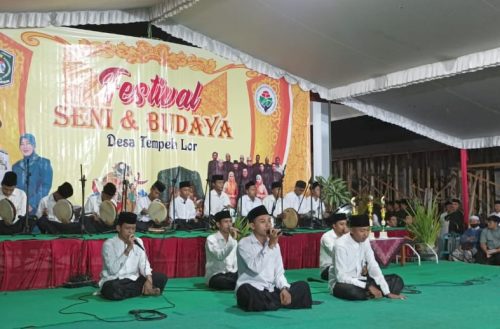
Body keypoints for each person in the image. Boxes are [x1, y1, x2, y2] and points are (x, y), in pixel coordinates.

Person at [236, 205, 312, 311]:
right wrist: (270, 246)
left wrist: (284, 288)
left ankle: (273, 303)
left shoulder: (274, 244)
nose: (267, 225)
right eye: (262, 222)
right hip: (254, 289)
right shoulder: (244, 243)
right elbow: (256, 268)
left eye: (269, 221)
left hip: (271, 290)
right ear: (252, 226)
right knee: (246, 292)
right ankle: (277, 303)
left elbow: (279, 272)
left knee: (303, 286)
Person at [330, 214, 406, 301]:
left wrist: (387, 291)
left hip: (362, 280)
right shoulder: (340, 245)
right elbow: (341, 277)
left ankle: (370, 293)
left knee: (396, 280)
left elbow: (373, 265)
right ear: (351, 230)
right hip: (342, 283)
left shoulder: (365, 241)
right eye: (362, 231)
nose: (366, 234)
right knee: (354, 292)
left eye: (368, 230)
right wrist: (367, 286)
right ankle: (369, 291)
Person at [99, 212, 168, 300]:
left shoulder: (138, 241)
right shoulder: (109, 244)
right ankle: (144, 290)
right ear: (118, 228)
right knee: (112, 288)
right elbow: (113, 270)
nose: (131, 231)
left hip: (134, 279)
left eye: (133, 228)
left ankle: (143, 288)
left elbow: (144, 263)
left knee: (161, 278)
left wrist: (149, 279)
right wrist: (128, 249)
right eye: (127, 228)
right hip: (116, 280)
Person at [12, 133, 53, 216]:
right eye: (22, 144)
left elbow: (45, 186)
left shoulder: (44, 163)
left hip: (37, 207)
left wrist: (31, 204)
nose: (25, 147)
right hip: (18, 208)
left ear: (34, 145)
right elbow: (14, 188)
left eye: (28, 143)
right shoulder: (15, 166)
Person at [205, 210, 238, 290]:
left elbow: (236, 260)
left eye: (230, 221)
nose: (229, 224)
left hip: (231, 274)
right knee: (221, 282)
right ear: (218, 224)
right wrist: (233, 240)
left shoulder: (233, 240)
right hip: (216, 275)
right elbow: (220, 256)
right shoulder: (211, 239)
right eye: (226, 222)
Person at [319, 213, 348, 280]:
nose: (344, 227)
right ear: (334, 226)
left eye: (346, 224)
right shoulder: (326, 237)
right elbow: (337, 254)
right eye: (341, 224)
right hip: (328, 269)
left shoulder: (346, 236)